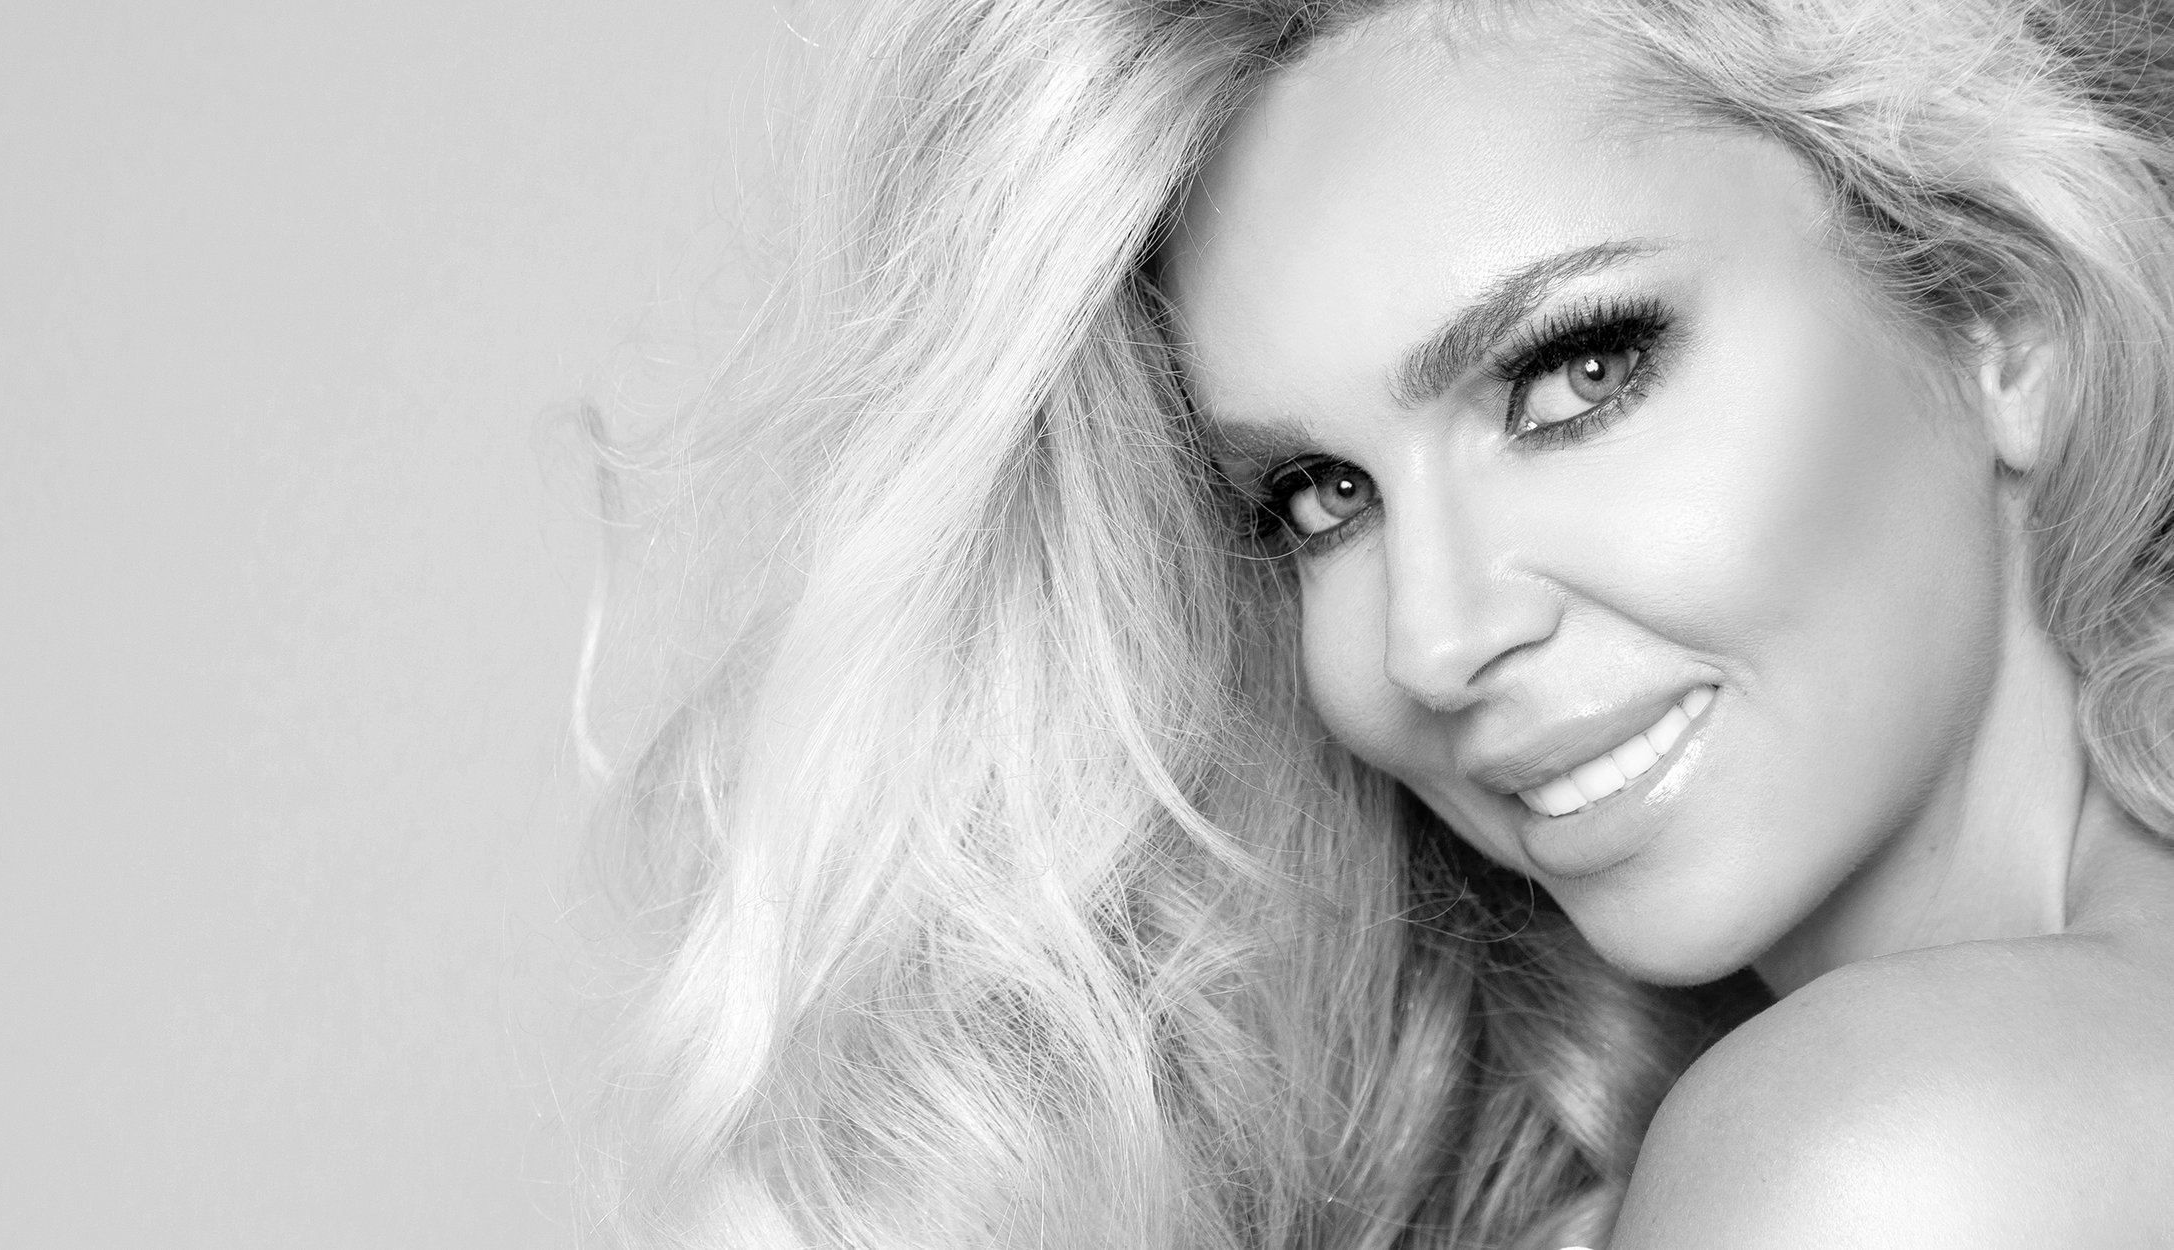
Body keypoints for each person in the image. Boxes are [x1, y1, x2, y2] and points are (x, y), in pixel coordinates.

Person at [585, 0, 2174, 1245]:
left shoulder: (1890, 1155)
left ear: (1997, 315)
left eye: (1575, 375)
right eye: (1320, 498)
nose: (1432, 637)